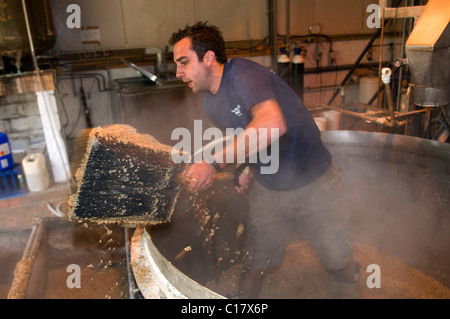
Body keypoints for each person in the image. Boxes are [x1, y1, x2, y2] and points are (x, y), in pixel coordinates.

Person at [169, 22, 360, 298]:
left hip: (315, 183)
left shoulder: (244, 75)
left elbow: (272, 124)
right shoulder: (211, 103)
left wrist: (212, 164)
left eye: (184, 62)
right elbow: (248, 139)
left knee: (337, 259)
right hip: (270, 189)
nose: (178, 72)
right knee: (255, 263)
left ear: (208, 58)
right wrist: (246, 168)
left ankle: (352, 280)